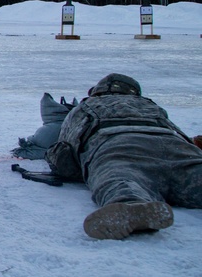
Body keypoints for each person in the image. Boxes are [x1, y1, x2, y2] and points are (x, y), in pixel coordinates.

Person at [45, 73, 202, 240]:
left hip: (116, 145)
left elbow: (67, 157)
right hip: (175, 146)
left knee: (119, 179)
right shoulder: (148, 105)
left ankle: (132, 205)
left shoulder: (86, 107)